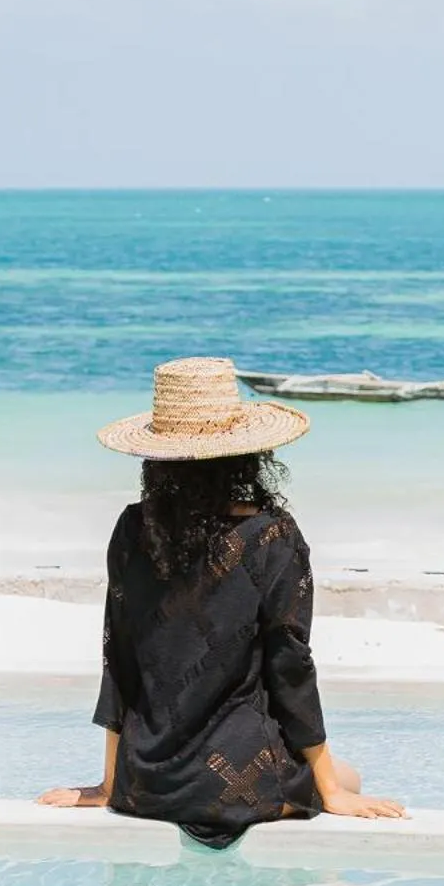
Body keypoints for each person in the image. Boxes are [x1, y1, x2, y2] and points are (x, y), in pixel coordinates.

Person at [37, 356, 406, 847]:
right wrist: (333, 791)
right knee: (349, 777)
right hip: (241, 784)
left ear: (158, 458)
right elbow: (290, 666)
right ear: (246, 455)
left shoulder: (133, 528)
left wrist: (111, 785)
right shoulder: (271, 535)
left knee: (335, 779)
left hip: (147, 783)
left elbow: (118, 659)